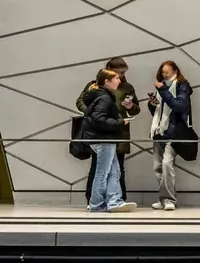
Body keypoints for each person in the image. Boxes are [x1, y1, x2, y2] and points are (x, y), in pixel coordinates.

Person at [76, 57, 139, 209]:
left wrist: (130, 107)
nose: (120, 77)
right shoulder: (101, 94)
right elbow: (95, 114)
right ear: (107, 78)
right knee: (102, 170)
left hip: (114, 134)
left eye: (122, 74)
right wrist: (92, 114)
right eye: (117, 75)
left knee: (115, 170)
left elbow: (135, 108)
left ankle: (114, 200)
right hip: (105, 134)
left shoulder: (123, 88)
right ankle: (97, 202)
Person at [147, 60, 192, 211]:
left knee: (167, 164)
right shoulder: (162, 87)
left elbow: (178, 105)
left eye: (167, 72)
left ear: (175, 71)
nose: (164, 74)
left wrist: (163, 91)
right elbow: (158, 112)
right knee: (158, 167)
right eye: (162, 72)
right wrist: (152, 104)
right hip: (159, 131)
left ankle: (169, 199)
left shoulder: (182, 86)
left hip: (175, 132)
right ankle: (163, 198)